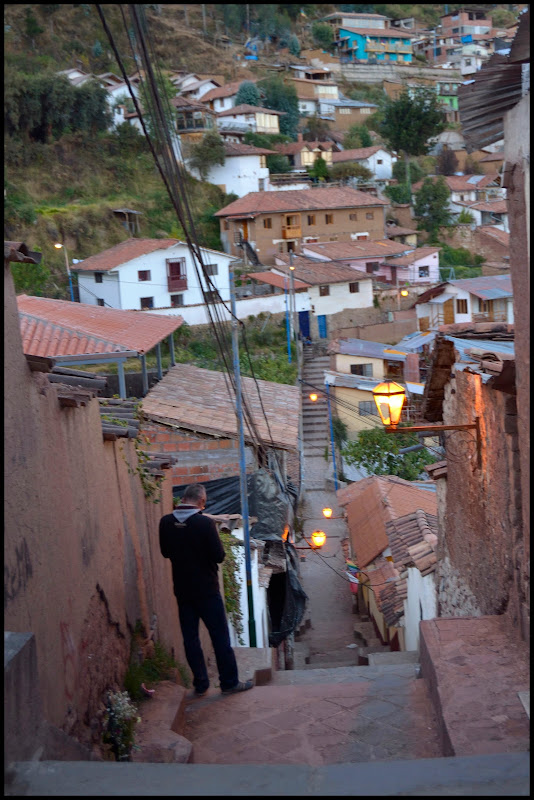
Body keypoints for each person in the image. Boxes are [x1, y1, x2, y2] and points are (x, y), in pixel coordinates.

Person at [159, 483, 254, 697]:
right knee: (219, 636)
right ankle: (228, 682)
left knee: (190, 637)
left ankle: (200, 683)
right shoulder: (204, 524)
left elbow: (165, 552)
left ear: (183, 499)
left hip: (182, 589)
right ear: (201, 502)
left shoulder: (165, 522)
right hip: (207, 589)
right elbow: (219, 556)